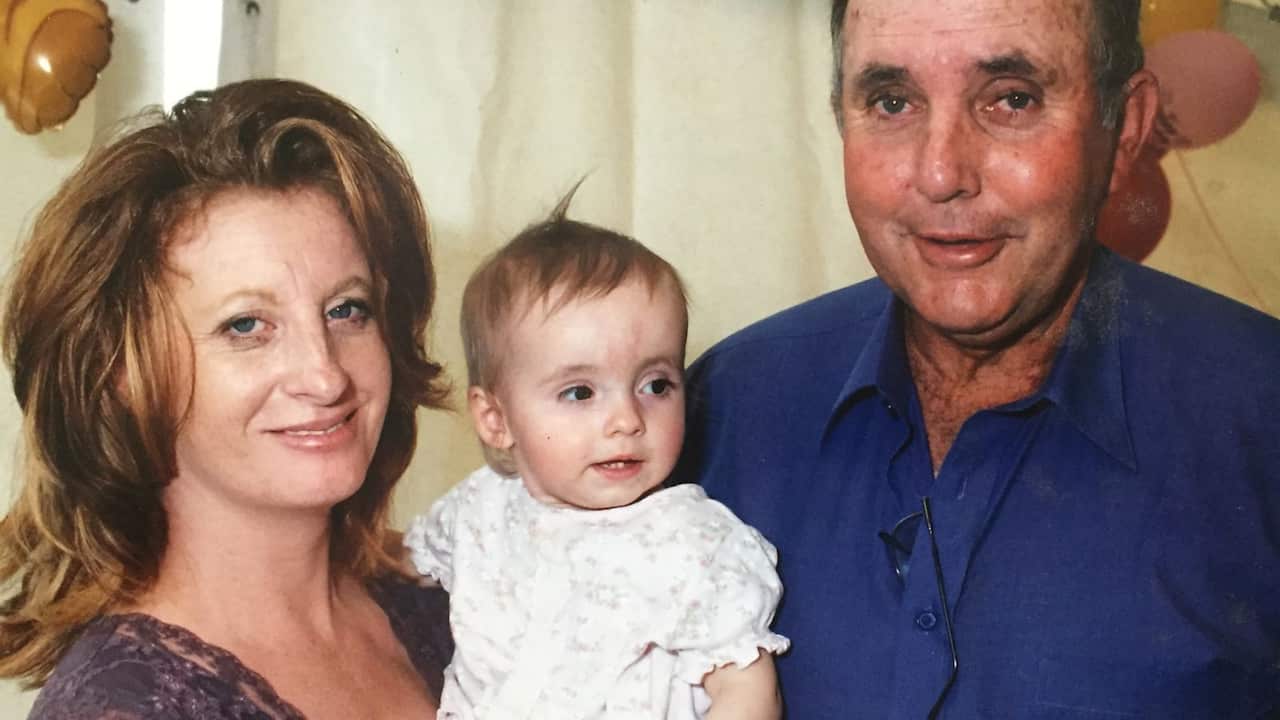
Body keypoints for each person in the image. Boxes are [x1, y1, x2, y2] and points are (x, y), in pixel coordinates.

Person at [676, 1, 1280, 718]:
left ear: (1125, 127)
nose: (940, 174)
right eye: (893, 102)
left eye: (1012, 99)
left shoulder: (1260, 413)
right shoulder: (722, 408)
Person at [0, 79, 453, 718]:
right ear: (122, 374)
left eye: (347, 310)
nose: (324, 376)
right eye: (246, 326)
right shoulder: (124, 706)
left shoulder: (451, 600)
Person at [404, 195, 789, 720]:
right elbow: (392, 572)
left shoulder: (692, 541)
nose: (627, 419)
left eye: (656, 384)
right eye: (581, 393)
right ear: (497, 420)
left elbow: (749, 691)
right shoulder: (478, 510)